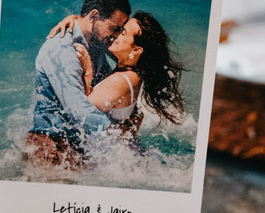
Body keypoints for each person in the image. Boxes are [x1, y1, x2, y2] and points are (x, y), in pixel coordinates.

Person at [26, 0, 131, 167]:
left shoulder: (96, 41)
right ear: (94, 16)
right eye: (115, 28)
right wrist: (119, 136)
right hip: (51, 146)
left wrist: (75, 17)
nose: (116, 35)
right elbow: (78, 111)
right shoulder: (62, 51)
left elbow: (126, 60)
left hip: (77, 141)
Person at [51, 9, 187, 146]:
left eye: (123, 33)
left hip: (108, 158)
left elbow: (80, 115)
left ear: (136, 50)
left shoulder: (119, 81)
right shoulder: (132, 72)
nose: (116, 35)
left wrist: (88, 72)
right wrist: (75, 19)